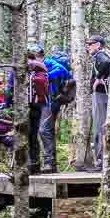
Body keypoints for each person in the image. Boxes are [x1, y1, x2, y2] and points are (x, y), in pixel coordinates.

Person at [8, 45, 49, 174]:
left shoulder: (17, 68)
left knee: (21, 133)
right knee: (33, 134)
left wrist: (8, 106)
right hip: (37, 104)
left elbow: (10, 87)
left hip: (22, 105)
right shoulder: (40, 67)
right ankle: (35, 165)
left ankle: (22, 165)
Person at [37, 45, 74, 174]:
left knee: (44, 130)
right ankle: (50, 165)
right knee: (47, 130)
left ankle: (48, 163)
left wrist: (47, 75)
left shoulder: (48, 62)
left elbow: (62, 70)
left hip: (51, 101)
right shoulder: (40, 63)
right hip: (46, 102)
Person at [85, 35, 110, 172]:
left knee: (100, 128)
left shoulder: (101, 55)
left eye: (91, 44)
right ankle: (103, 160)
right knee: (102, 127)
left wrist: (97, 78)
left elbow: (106, 63)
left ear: (99, 45)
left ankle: (101, 162)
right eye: (87, 44)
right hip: (105, 94)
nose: (88, 46)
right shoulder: (102, 55)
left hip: (101, 95)